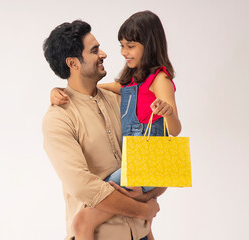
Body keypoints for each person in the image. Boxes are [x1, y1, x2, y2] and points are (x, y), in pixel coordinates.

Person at [50, 11, 181, 240]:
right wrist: (143, 208)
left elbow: (162, 160)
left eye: (129, 46)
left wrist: (149, 197)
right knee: (82, 221)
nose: (108, 53)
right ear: (72, 63)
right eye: (94, 50)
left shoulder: (127, 97)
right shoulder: (59, 118)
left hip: (140, 230)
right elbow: (83, 186)